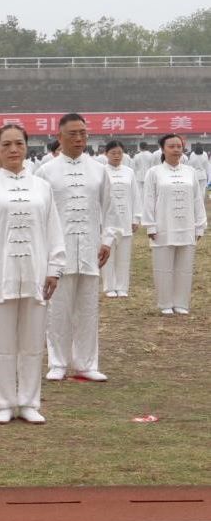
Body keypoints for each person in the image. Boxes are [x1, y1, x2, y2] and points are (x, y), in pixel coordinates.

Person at [0, 124, 66, 425]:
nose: (13, 149)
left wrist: (54, 269)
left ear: (26, 147)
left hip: (35, 274)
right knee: (0, 343)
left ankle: (29, 402)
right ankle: (3, 402)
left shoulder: (42, 187)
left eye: (19, 143)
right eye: (6, 144)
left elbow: (53, 230)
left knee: (32, 343)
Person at [35, 113, 117, 381]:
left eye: (83, 133)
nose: (79, 138)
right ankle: (58, 362)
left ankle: (86, 363)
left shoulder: (98, 169)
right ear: (59, 136)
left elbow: (109, 208)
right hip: (58, 250)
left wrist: (107, 240)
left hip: (91, 248)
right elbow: (39, 213)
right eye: (73, 133)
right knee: (58, 309)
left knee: (88, 308)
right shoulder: (46, 171)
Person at [143, 133, 207, 315]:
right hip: (164, 225)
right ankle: (165, 303)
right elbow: (148, 199)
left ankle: (181, 302)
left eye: (179, 146)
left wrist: (200, 225)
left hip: (187, 225)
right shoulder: (154, 172)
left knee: (185, 267)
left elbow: (197, 199)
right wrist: (150, 225)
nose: (176, 150)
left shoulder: (190, 172)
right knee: (163, 266)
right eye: (171, 146)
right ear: (163, 149)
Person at [102, 140, 141, 298]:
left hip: (126, 218)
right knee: (108, 253)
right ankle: (109, 286)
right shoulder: (101, 171)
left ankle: (122, 286)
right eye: (113, 153)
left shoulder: (129, 172)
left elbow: (135, 195)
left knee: (124, 256)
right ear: (106, 154)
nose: (117, 156)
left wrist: (136, 217)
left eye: (119, 153)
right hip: (107, 220)